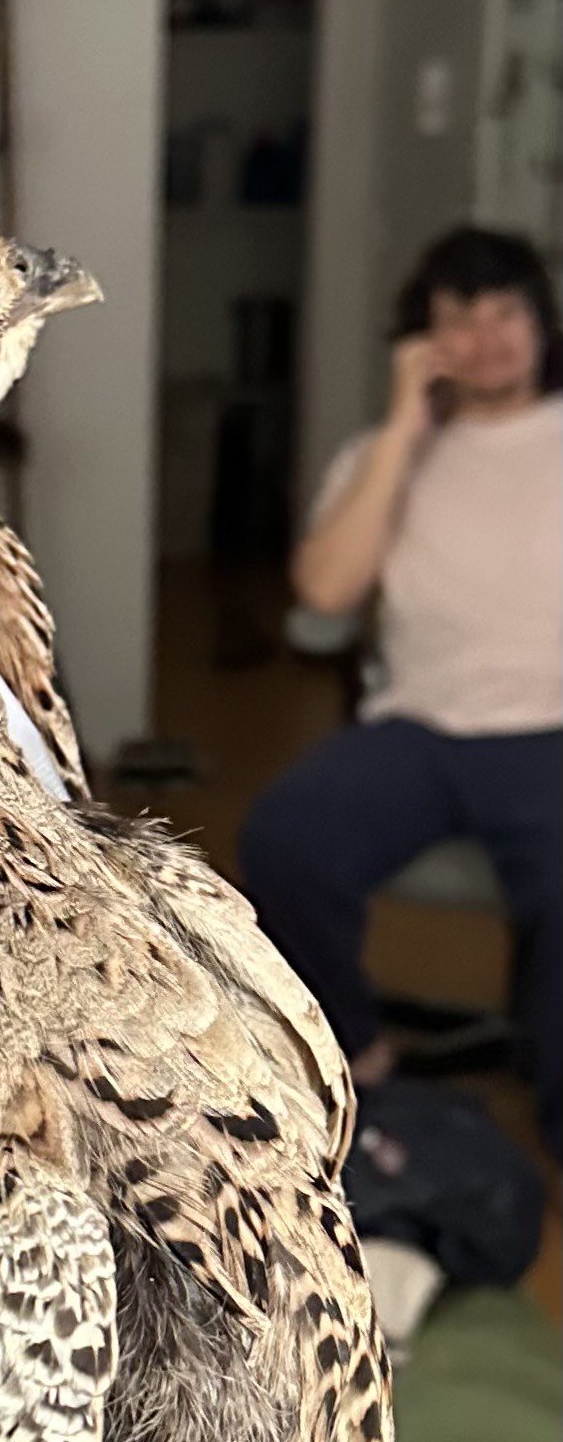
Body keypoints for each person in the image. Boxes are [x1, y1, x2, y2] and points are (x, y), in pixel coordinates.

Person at [238, 225, 562, 1155]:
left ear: (539, 323)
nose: (490, 337)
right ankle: (355, 1054)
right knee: (284, 839)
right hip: (419, 727)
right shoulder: (382, 456)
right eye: (461, 318)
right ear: (422, 341)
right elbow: (324, 596)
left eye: (509, 312)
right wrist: (404, 428)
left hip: (549, 730)